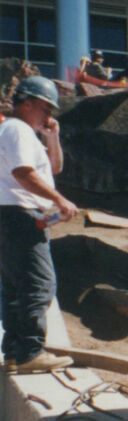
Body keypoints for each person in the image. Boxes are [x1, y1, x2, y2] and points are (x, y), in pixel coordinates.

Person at [0, 76, 79, 374]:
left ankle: (14, 352)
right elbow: (24, 173)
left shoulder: (20, 132)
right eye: (46, 108)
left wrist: (52, 137)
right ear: (27, 102)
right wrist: (60, 200)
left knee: (14, 286)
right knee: (39, 284)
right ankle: (31, 352)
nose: (49, 116)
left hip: (11, 214)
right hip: (21, 214)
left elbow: (53, 169)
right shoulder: (18, 130)